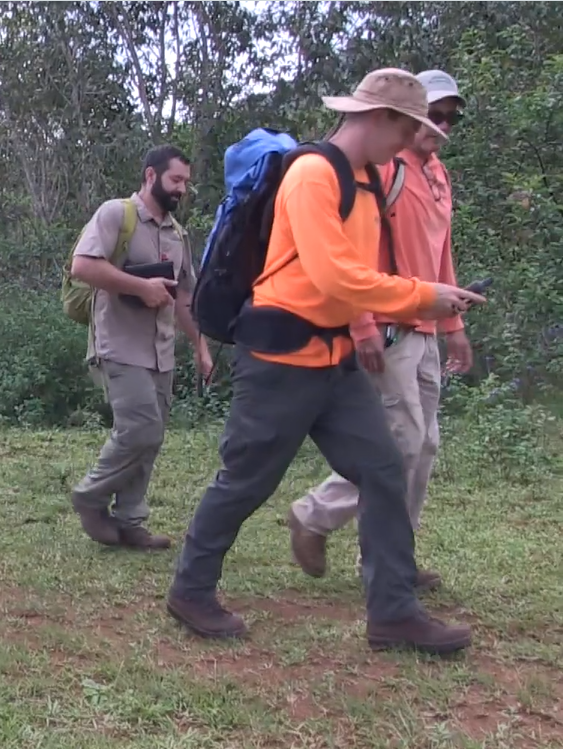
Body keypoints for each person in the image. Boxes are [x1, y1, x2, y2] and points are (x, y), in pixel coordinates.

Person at [167, 69, 486, 655]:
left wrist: (388, 317)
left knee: (385, 472)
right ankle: (190, 590)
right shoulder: (314, 174)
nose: (415, 140)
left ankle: (394, 614)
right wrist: (422, 297)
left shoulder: (370, 179)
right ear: (379, 119)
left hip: (336, 359)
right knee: (246, 481)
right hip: (281, 357)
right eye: (410, 126)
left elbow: (355, 277)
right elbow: (334, 275)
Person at [288, 70, 472, 590]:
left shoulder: (437, 175)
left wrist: (452, 322)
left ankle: (398, 557)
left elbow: (441, 254)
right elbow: (354, 254)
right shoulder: (385, 172)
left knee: (425, 445)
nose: (440, 127)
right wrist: (361, 323)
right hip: (387, 325)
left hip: (425, 326)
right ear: (406, 118)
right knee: (400, 443)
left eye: (449, 117)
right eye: (432, 116)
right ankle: (319, 515)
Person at [67, 145, 213, 551]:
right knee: (140, 429)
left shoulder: (177, 233)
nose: (182, 189)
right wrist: (140, 287)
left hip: (160, 351)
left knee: (152, 436)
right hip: (118, 344)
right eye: (175, 180)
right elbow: (83, 265)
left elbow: (184, 296)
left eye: (186, 181)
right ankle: (90, 495)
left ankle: (131, 520)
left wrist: (200, 345)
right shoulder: (117, 214)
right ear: (151, 176)